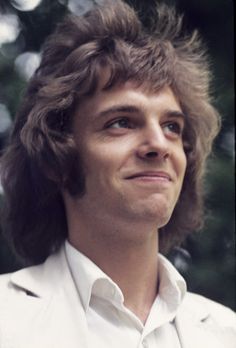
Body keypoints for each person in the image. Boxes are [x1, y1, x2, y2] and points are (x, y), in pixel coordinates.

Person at [0, 0, 235, 347]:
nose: (159, 144)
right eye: (122, 122)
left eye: (172, 126)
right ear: (56, 156)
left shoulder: (226, 331)